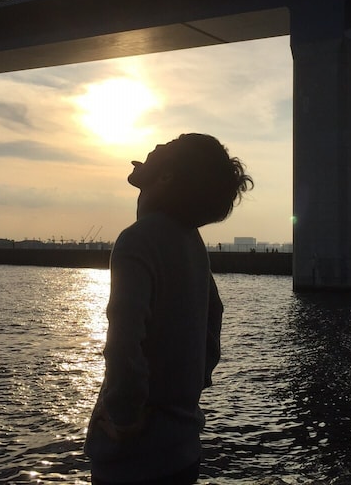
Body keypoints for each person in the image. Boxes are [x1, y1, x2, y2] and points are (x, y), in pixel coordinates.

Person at [84, 133, 253, 485]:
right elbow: (214, 321)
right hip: (182, 448)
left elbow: (123, 344)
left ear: (166, 176)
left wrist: (124, 418)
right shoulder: (190, 240)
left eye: (170, 145)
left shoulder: (138, 239)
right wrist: (184, 393)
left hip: (134, 463)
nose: (158, 146)